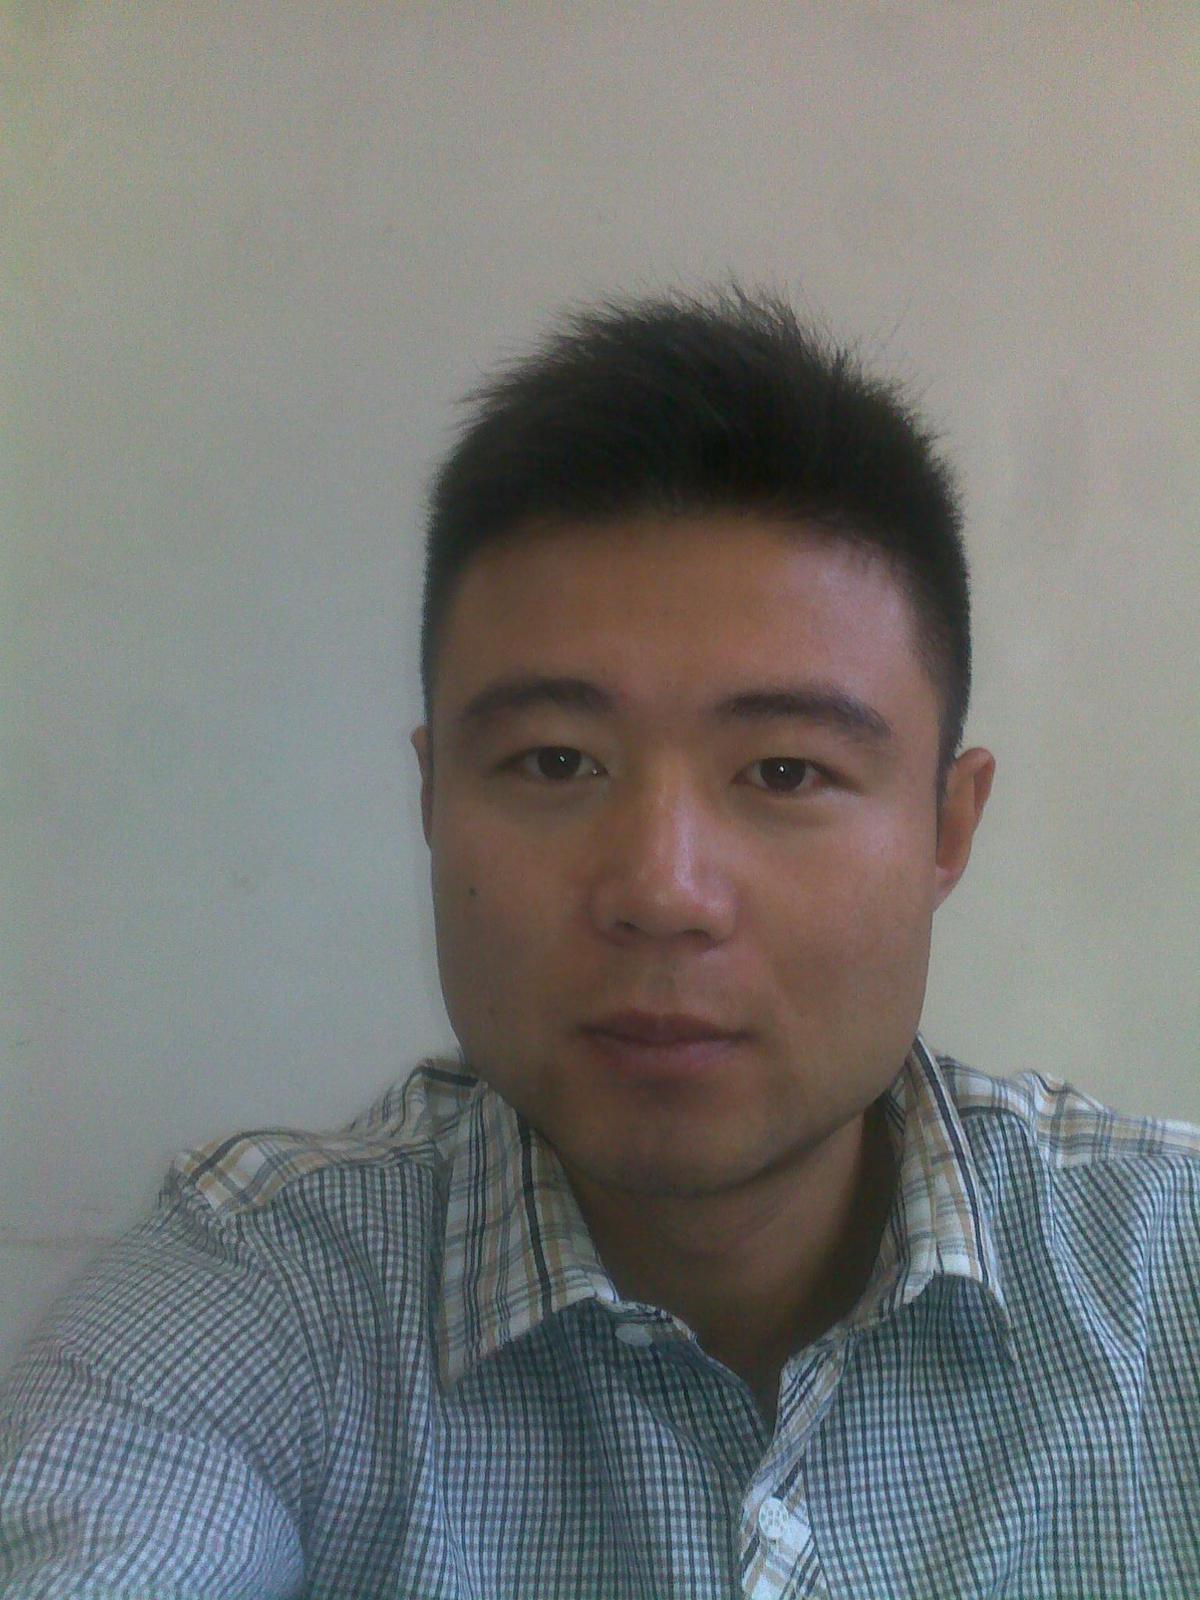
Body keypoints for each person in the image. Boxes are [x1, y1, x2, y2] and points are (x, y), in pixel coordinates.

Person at [1, 288, 1196, 1600]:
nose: (662, 891)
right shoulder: (251, 1304)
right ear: (432, 800)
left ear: (945, 828)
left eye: (785, 770)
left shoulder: (1168, 1274)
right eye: (556, 761)